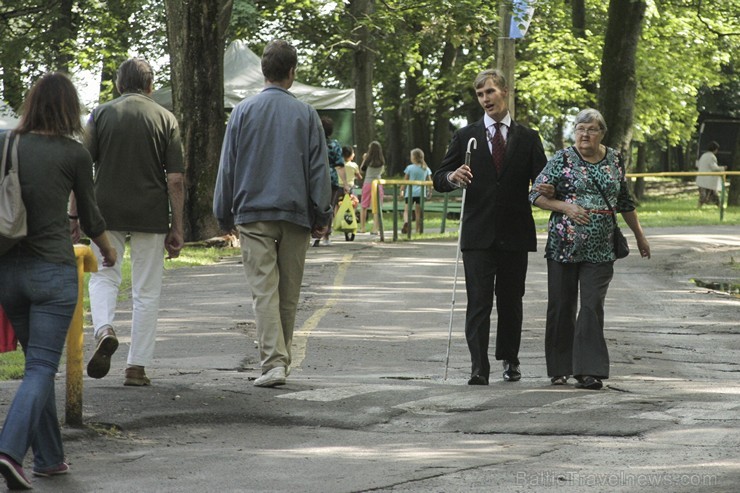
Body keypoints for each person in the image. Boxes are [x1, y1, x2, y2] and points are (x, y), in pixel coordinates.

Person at [0, 73, 116, 489]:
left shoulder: (6, 143)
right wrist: (106, 248)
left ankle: (49, 458)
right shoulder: (74, 153)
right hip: (53, 272)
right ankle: (9, 451)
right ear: (69, 108)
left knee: (37, 364)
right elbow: (88, 214)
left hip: (9, 271)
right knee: (42, 368)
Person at [213, 39, 332, 388]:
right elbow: (318, 170)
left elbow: (228, 167)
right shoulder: (307, 114)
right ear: (292, 73)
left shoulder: (242, 112)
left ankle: (273, 362)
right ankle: (281, 359)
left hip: (253, 213)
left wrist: (223, 213)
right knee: (289, 292)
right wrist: (322, 213)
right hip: (296, 214)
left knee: (264, 291)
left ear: (264, 71)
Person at [432, 68, 547, 386]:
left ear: (505, 92)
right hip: (478, 233)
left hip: (515, 232)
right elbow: (439, 178)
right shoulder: (465, 136)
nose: (485, 99)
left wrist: (550, 191)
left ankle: (511, 359)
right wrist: (452, 177)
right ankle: (478, 366)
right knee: (479, 301)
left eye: (490, 92)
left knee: (511, 301)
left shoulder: (527, 137)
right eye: (480, 95)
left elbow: (543, 181)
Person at [81, 58, 185, 386]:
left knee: (103, 277)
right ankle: (136, 367)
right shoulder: (166, 118)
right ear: (151, 85)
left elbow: (83, 169)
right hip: (151, 213)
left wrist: (74, 214)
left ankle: (104, 329)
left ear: (118, 84)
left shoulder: (100, 114)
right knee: (146, 290)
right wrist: (178, 225)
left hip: (104, 210)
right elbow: (176, 180)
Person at [529, 108, 651, 390]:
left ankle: (588, 371)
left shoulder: (615, 160)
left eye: (591, 129)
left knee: (591, 306)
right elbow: (535, 194)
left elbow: (625, 201)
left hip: (601, 247)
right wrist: (565, 206)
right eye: (580, 129)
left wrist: (640, 237)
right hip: (564, 243)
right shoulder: (562, 159)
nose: (585, 134)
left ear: (602, 133)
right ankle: (559, 368)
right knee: (561, 306)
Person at [315, 116, 350, 247]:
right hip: (331, 179)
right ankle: (326, 236)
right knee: (329, 207)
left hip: (314, 178)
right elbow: (340, 165)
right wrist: (345, 183)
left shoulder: (313, 142)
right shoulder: (334, 144)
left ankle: (312, 234)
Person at [401, 148, 433, 234]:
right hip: (421, 193)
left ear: (414, 158)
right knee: (418, 213)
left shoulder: (409, 168)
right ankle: (418, 230)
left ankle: (406, 221)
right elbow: (430, 181)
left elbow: (405, 180)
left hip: (410, 193)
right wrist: (430, 191)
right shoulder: (426, 168)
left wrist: (402, 190)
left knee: (407, 210)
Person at [359, 141, 385, 234]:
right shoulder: (382, 160)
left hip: (368, 183)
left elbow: (361, 171)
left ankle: (362, 228)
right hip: (378, 183)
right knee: (377, 207)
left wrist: (364, 159)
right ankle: (375, 229)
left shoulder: (367, 160)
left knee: (364, 206)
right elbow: (381, 172)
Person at [696, 141, 725, 207]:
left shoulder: (704, 155)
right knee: (706, 195)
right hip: (708, 180)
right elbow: (714, 168)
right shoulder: (712, 157)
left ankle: (719, 206)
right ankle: (719, 206)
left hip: (702, 179)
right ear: (715, 149)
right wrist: (723, 168)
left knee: (710, 195)